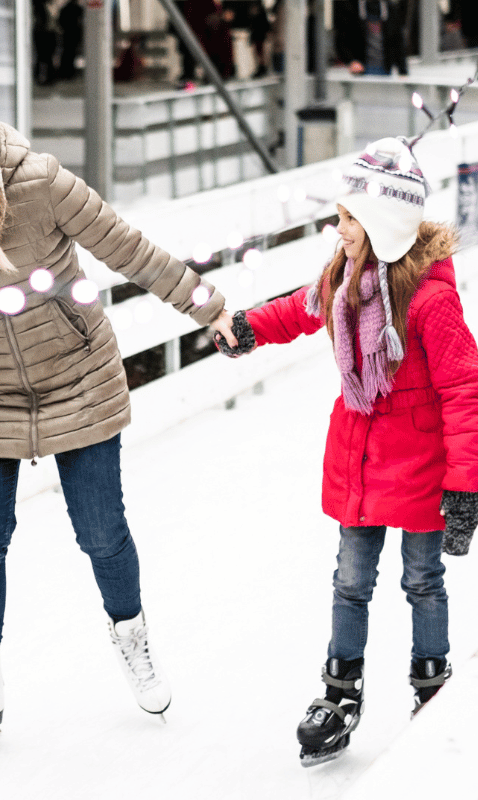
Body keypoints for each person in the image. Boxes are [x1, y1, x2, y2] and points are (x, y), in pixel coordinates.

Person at [0, 29, 239, 754]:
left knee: (100, 531)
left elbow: (129, 248)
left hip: (77, 372)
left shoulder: (39, 184)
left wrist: (209, 307)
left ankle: (133, 638)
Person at [214, 138, 478, 767]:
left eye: (350, 218)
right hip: (359, 459)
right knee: (350, 582)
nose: (340, 229)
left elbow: (465, 391)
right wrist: (250, 327)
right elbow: (299, 310)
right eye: (339, 216)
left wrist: (465, 486)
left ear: (384, 222)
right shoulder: (344, 279)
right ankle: (339, 694)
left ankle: (431, 688)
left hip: (421, 468)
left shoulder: (432, 299)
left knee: (423, 581)